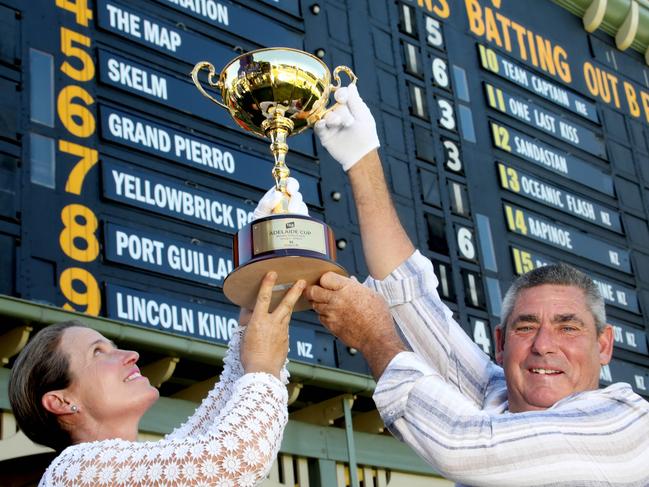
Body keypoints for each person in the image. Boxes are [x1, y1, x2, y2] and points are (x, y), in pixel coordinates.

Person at [257, 84, 649, 485]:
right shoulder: (498, 398)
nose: (543, 345)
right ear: (500, 342)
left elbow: (464, 443)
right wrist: (359, 162)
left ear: (604, 345)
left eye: (568, 326)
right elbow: (411, 301)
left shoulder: (626, 425)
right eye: (526, 327)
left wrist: (375, 338)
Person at [8, 272, 306, 486]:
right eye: (98, 352)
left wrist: (248, 329)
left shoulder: (133, 471)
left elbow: (204, 441)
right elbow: (229, 461)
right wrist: (263, 367)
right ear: (62, 401)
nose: (131, 354)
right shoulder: (73, 471)